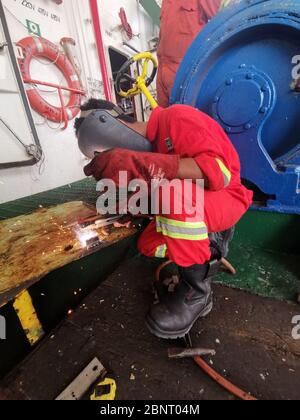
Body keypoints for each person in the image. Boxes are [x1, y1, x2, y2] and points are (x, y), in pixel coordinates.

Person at [75, 99, 253, 340]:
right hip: (194, 202)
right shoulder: (154, 147)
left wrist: (141, 163)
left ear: (111, 124)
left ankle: (197, 294)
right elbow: (162, 190)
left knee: (170, 194)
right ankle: (206, 246)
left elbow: (218, 173)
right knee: (147, 245)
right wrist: (132, 208)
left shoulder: (177, 117)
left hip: (226, 197)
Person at [157, 0, 222, 108]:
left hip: (184, 70)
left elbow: (220, 17)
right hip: (162, 67)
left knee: (184, 119)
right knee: (163, 118)